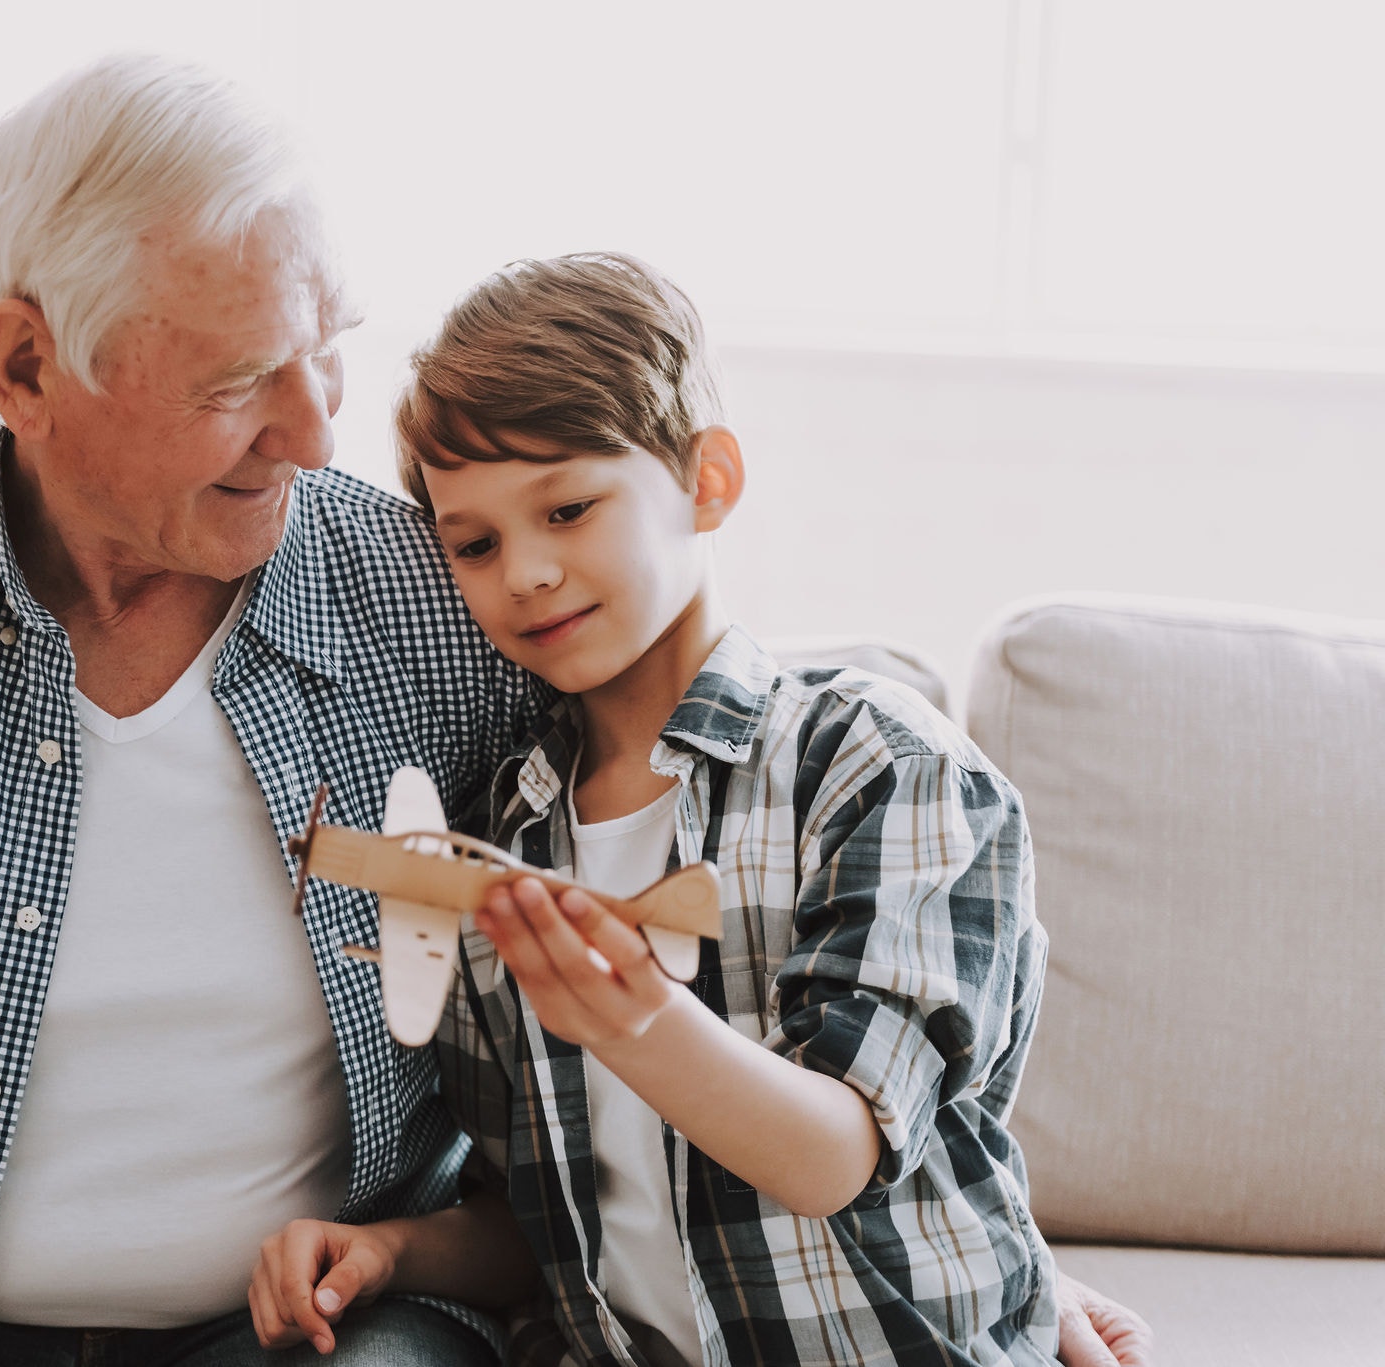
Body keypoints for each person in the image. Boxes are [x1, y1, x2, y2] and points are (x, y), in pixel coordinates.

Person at [0, 55, 1145, 1367]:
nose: (312, 435)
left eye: (328, 351)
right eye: (237, 384)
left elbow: (750, 838)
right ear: (23, 366)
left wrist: (978, 1254)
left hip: (300, 1324)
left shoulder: (425, 592)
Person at [245, 254, 1155, 1367]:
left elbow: (835, 1151)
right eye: (472, 542)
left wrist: (634, 1019)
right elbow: (548, 1225)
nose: (523, 571)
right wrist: (388, 1249)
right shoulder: (503, 828)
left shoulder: (876, 764)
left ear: (705, 481)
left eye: (567, 508)